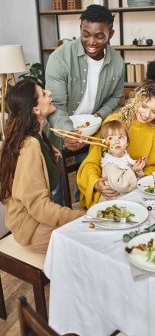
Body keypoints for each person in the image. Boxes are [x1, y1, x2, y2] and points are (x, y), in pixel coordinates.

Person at [0, 80, 84, 254]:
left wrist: (47, 153)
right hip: (31, 228)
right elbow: (40, 207)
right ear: (35, 110)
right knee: (90, 238)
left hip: (36, 218)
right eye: (44, 94)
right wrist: (81, 216)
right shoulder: (29, 146)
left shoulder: (36, 136)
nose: (49, 93)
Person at [77, 81, 155, 208]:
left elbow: (153, 166)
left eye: (154, 111)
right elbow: (92, 162)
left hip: (134, 189)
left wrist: (138, 175)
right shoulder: (113, 123)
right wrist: (96, 183)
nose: (147, 115)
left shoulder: (151, 130)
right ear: (136, 100)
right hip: (109, 192)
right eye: (144, 106)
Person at [45, 4, 125, 151]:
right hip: (61, 133)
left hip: (95, 133)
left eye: (100, 36)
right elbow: (55, 104)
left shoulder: (118, 62)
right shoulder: (60, 58)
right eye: (86, 34)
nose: (91, 42)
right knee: (59, 173)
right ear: (80, 28)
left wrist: (100, 114)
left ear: (111, 34)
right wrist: (69, 133)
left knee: (92, 172)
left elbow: (117, 97)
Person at [100, 120, 147, 198]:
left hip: (129, 195)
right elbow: (120, 185)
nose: (117, 141)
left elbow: (134, 178)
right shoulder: (109, 164)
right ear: (105, 144)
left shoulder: (125, 157)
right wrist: (133, 170)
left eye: (120, 137)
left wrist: (138, 167)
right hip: (117, 201)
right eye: (111, 138)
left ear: (127, 142)